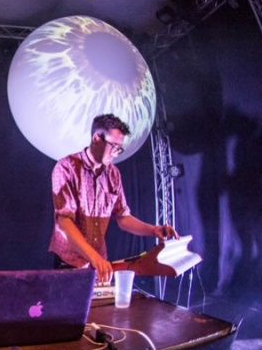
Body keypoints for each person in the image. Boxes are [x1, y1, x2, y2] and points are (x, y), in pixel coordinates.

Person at [49, 114, 179, 283]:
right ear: (96, 138)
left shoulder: (113, 174)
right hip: (70, 262)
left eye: (120, 148)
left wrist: (153, 230)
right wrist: (95, 258)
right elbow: (64, 222)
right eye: (114, 146)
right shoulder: (66, 168)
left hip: (99, 263)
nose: (116, 153)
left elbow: (123, 218)